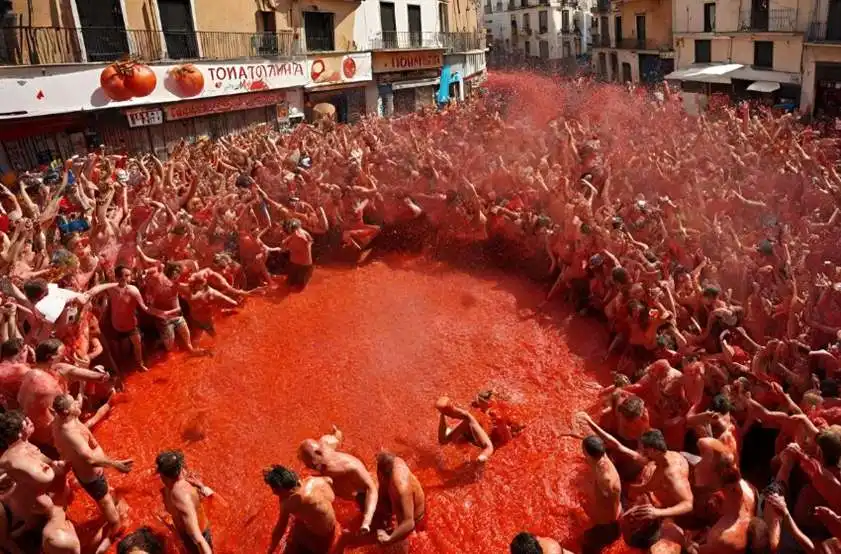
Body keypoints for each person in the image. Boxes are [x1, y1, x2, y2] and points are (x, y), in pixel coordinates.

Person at [51, 394, 133, 554]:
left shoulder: (61, 419)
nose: (77, 402)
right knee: (116, 521)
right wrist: (115, 464)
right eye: (73, 402)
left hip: (88, 474)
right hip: (93, 477)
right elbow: (90, 459)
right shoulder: (70, 433)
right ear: (67, 411)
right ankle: (98, 550)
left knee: (109, 498)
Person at [298, 426, 378, 534]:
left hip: (365, 494)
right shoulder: (325, 442)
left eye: (311, 464)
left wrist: (366, 521)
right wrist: (336, 432)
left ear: (318, 452)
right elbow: (337, 436)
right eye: (308, 465)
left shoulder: (349, 467)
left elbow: (371, 488)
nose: (310, 466)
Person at [263, 464, 340, 554]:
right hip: (332, 524)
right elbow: (329, 480)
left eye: (273, 489)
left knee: (294, 538)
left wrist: (270, 550)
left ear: (277, 489)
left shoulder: (289, 503)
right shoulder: (313, 480)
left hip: (321, 536)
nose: (273, 492)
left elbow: (280, 529)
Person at [155, 450, 213, 554]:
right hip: (199, 530)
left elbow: (198, 538)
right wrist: (202, 487)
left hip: (196, 541)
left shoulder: (180, 496)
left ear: (163, 475)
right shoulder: (184, 477)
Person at [580, 436, 621, 554]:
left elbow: (609, 490)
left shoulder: (606, 479)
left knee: (587, 548)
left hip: (606, 525)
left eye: (583, 450)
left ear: (587, 454)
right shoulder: (602, 456)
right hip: (609, 520)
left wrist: (590, 510)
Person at [374, 451, 426, 546]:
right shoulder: (394, 461)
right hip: (401, 502)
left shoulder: (400, 488)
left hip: (414, 520)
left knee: (395, 544)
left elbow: (410, 523)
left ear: (380, 475)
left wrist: (389, 539)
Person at [435, 396, 494, 463]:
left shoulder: (477, 418)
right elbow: (443, 441)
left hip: (485, 445)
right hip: (475, 442)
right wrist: (442, 416)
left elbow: (489, 447)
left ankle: (449, 409)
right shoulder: (468, 421)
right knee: (468, 418)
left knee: (468, 417)